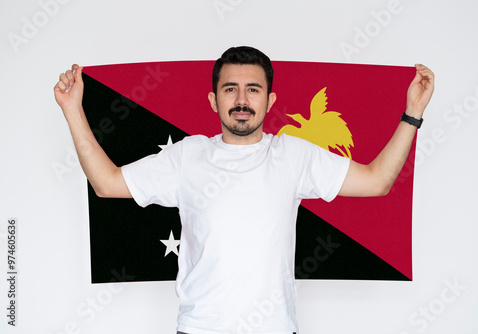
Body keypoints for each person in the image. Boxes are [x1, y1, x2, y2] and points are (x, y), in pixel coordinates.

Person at [54, 46, 434, 334]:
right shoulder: (187, 156)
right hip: (199, 328)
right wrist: (72, 109)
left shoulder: (293, 155)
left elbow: (377, 180)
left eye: (253, 89)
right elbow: (106, 185)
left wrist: (412, 113)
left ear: (269, 101)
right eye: (230, 89)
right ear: (213, 99)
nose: (241, 100)